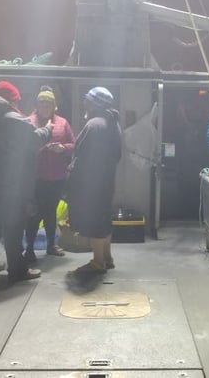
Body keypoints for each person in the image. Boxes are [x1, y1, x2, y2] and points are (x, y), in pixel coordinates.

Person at [0, 80, 52, 287]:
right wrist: (48, 129)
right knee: (13, 228)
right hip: (9, 188)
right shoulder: (12, 118)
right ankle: (17, 270)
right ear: (12, 99)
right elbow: (33, 140)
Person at [67, 86, 122, 275]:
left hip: (92, 182)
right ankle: (107, 257)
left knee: (96, 219)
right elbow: (117, 154)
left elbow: (82, 155)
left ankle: (98, 262)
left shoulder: (94, 125)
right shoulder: (112, 123)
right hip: (107, 179)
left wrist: (73, 172)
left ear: (95, 103)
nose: (84, 102)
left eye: (87, 99)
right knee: (105, 217)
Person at [24, 86, 75, 261]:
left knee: (51, 211)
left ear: (54, 106)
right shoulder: (28, 122)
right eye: (42, 103)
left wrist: (62, 148)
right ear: (37, 105)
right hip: (35, 177)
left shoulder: (63, 123)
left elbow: (73, 145)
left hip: (56, 177)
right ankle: (29, 248)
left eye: (48, 104)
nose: (45, 106)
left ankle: (51, 245)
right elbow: (22, 148)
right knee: (34, 213)